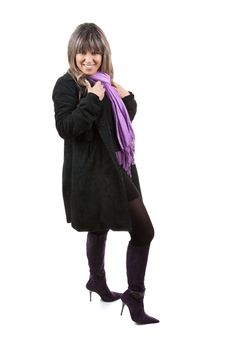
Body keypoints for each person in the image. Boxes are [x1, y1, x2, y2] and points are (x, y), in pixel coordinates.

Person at [52, 22, 159, 325]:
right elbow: (67, 128)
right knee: (141, 231)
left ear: (103, 54)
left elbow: (120, 124)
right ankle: (131, 297)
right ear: (73, 53)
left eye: (95, 52)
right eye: (82, 52)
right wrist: (93, 98)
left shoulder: (104, 83)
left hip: (116, 168)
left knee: (106, 227)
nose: (88, 59)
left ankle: (99, 283)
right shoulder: (67, 85)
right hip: (92, 173)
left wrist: (124, 96)